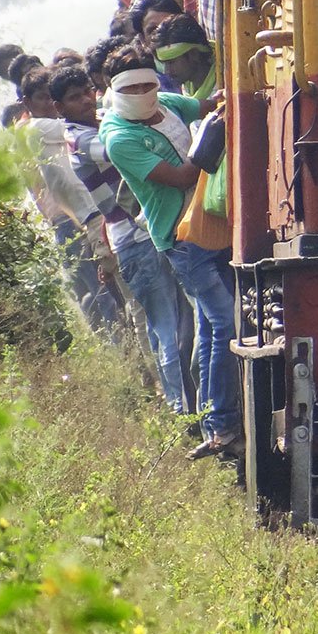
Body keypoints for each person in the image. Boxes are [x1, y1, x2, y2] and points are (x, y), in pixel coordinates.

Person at [99, 47, 239, 459]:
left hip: (211, 222)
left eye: (149, 83)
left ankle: (218, 423)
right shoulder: (119, 137)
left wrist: (226, 105)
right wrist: (209, 140)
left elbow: (211, 102)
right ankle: (222, 424)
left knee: (215, 328)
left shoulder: (167, 104)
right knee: (223, 322)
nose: (144, 92)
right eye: (133, 87)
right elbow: (179, 178)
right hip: (179, 238)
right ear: (115, 90)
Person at [52, 65, 189, 414]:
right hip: (133, 238)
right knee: (167, 327)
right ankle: (182, 410)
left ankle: (184, 406)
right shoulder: (82, 139)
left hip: (138, 234)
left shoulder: (100, 123)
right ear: (59, 107)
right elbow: (125, 146)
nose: (85, 100)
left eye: (87, 91)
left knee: (169, 326)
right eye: (74, 97)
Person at [16, 66, 121, 329]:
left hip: (93, 214)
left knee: (118, 296)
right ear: (28, 103)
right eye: (42, 97)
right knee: (112, 298)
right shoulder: (37, 127)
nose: (50, 104)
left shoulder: (62, 127)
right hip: (88, 217)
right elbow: (98, 119)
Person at [152, 13, 217, 100]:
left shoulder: (225, 83)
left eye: (171, 62)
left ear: (194, 54)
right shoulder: (186, 85)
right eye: (165, 63)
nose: (167, 71)